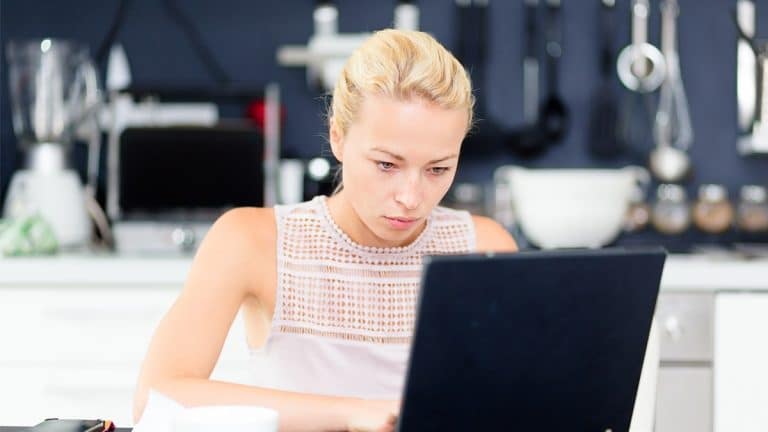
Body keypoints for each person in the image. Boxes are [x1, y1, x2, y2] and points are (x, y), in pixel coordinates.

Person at [133, 28, 517, 432]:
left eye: (438, 169)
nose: (411, 197)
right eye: (386, 164)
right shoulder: (252, 241)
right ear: (338, 137)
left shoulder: (484, 247)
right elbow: (158, 398)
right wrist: (353, 413)